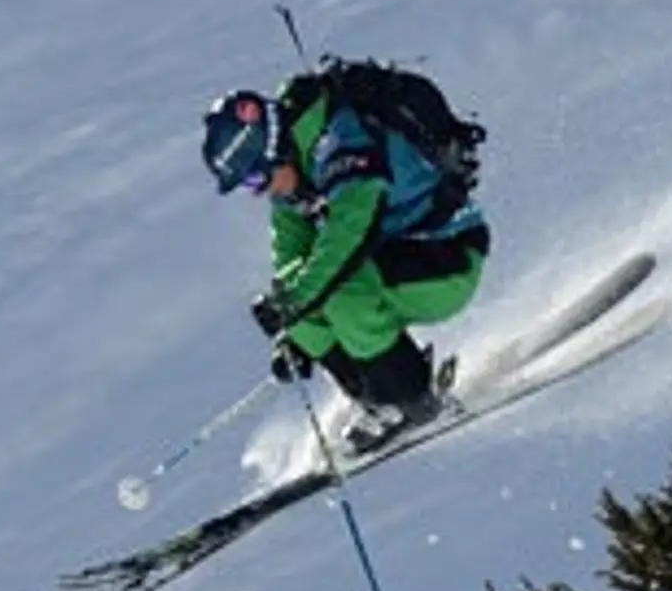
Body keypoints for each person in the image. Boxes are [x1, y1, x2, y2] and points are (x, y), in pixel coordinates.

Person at [200, 68, 489, 453]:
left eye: (255, 178)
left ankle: (411, 399)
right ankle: (376, 401)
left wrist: (299, 302)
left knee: (334, 289)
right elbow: (291, 262)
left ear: (273, 148)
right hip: (391, 266)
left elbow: (348, 236)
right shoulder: (291, 183)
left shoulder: (342, 140)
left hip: (446, 256)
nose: (261, 191)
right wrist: (295, 332)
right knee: (295, 296)